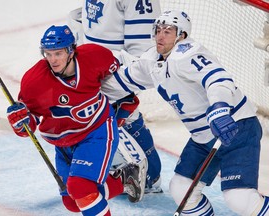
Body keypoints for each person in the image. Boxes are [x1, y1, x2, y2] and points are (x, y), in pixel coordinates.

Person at [103, 10, 269, 215]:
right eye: (158, 30)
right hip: (203, 137)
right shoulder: (152, 60)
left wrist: (219, 108)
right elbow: (119, 83)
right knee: (182, 190)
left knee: (239, 200)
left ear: (181, 35)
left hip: (235, 127)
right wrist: (79, 95)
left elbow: (218, 79)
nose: (161, 35)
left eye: (168, 31)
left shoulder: (188, 53)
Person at [6, 25, 147, 216]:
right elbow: (29, 126)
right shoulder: (34, 82)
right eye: (48, 54)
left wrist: (124, 107)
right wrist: (20, 122)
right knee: (73, 202)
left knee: (80, 187)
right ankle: (124, 181)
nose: (53, 60)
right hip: (63, 143)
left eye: (58, 53)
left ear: (71, 50)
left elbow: (120, 81)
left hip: (96, 131)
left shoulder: (95, 56)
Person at [68, 0, 163, 193]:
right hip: (92, 70)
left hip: (111, 73)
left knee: (149, 176)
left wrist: (113, 82)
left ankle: (143, 175)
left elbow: (143, 58)